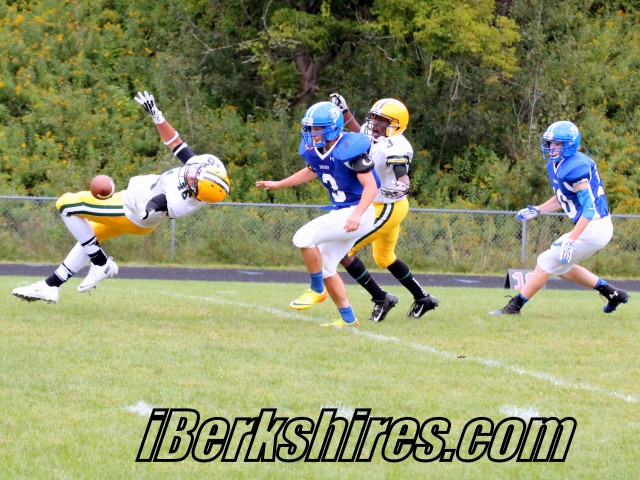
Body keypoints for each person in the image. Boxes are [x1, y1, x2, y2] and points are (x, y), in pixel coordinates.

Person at [12, 91, 229, 304]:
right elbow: (176, 144)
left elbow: (155, 204)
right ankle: (51, 286)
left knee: (66, 205)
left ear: (196, 193)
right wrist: (157, 117)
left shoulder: (180, 203)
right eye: (196, 172)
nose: (191, 172)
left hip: (131, 210)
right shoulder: (207, 169)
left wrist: (146, 208)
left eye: (193, 179)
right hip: (135, 210)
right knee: (89, 238)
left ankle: (101, 264)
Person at [256, 101, 379, 327]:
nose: (311, 133)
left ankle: (316, 289)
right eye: (310, 128)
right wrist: (279, 184)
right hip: (344, 213)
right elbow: (311, 171)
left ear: (332, 128)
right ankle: (348, 319)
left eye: (316, 128)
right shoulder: (317, 150)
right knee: (326, 266)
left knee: (303, 237)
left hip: (357, 212)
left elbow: (371, 187)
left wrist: (357, 214)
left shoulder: (350, 148)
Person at [490, 120, 629, 315]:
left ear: (570, 145)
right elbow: (562, 198)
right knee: (562, 268)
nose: (552, 147)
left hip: (594, 226)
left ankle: (514, 307)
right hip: (590, 226)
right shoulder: (557, 165)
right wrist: (538, 210)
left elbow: (589, 209)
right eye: (551, 143)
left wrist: (571, 241)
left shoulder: (575, 168)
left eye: (558, 143)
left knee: (546, 261)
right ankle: (613, 293)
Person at [329, 93, 439, 322]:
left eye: (383, 120)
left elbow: (402, 175)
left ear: (397, 125)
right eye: (375, 118)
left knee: (343, 250)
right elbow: (360, 134)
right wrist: (345, 111)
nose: (375, 124)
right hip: (382, 204)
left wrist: (402, 186)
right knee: (384, 257)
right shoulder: (377, 137)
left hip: (388, 205)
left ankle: (381, 298)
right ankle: (423, 298)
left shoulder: (396, 146)